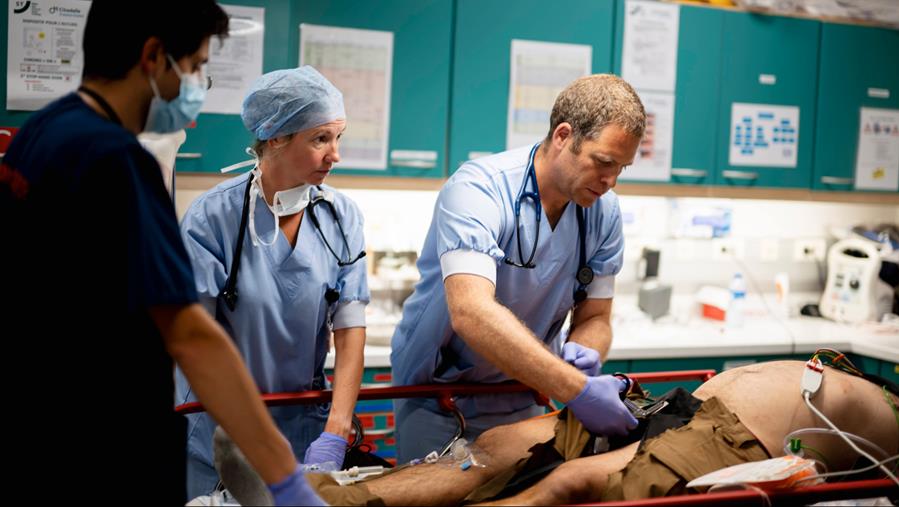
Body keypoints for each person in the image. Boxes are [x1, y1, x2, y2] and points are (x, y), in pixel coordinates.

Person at [0, 1, 323, 504]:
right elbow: (191, 334)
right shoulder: (116, 159)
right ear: (153, 57)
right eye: (195, 66)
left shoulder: (44, 130)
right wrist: (285, 477)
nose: (196, 84)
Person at [214, 360, 899, 506]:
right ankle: (316, 496)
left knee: (569, 482)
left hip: (737, 434)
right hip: (670, 402)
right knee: (492, 453)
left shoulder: (888, 421)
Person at [390, 74, 646, 461]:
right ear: (563, 136)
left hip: (524, 387)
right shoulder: (479, 189)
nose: (610, 181)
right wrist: (576, 389)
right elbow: (471, 313)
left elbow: (596, 316)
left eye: (621, 168)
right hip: (439, 396)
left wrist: (584, 350)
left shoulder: (602, 212)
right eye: (604, 162)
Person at [177, 66, 369, 498]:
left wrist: (337, 431)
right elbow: (193, 340)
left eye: (339, 137)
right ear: (276, 138)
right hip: (220, 433)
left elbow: (351, 327)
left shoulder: (342, 217)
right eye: (320, 138)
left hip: (305, 430)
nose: (335, 154)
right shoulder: (213, 220)